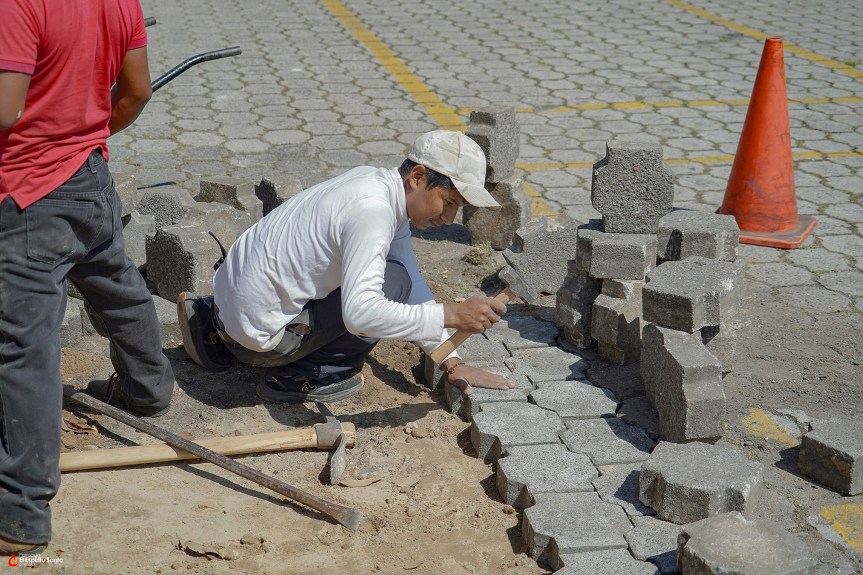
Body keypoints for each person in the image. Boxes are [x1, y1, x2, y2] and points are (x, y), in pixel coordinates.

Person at [0, 0, 175, 555]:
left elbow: (5, 110)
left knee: (23, 349)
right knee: (115, 283)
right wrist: (91, 135)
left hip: (27, 195)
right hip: (89, 173)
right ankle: (148, 390)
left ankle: (21, 511)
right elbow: (138, 92)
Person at [178, 130, 515, 404]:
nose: (449, 218)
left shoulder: (373, 183)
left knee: (397, 275)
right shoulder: (373, 212)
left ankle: (208, 326)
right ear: (417, 176)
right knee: (390, 284)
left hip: (227, 306)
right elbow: (361, 315)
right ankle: (301, 377)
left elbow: (410, 271)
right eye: (450, 202)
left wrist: (449, 358)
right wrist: (452, 315)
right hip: (259, 340)